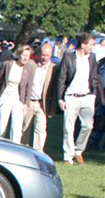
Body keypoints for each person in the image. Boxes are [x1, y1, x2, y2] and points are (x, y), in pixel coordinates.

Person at [56, 33, 103, 164]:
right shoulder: (69, 57)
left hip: (87, 96)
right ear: (83, 45)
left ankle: (78, 151)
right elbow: (62, 78)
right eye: (91, 44)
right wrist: (60, 99)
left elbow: (94, 76)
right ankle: (68, 156)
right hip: (71, 97)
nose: (93, 47)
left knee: (88, 126)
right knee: (68, 127)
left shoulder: (92, 57)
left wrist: (93, 94)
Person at [0, 46, 33, 143]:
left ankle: (15, 148)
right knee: (1, 126)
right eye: (24, 55)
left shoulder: (29, 68)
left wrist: (26, 103)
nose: (26, 58)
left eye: (28, 56)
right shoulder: (7, 64)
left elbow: (29, 86)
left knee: (17, 127)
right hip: (5, 96)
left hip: (19, 99)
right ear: (18, 55)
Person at [21, 42, 57, 152]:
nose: (44, 57)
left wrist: (52, 108)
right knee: (25, 127)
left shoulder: (54, 68)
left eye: (47, 55)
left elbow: (54, 91)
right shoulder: (31, 64)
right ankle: (23, 149)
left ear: (51, 54)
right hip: (29, 101)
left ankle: (38, 152)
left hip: (43, 103)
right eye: (42, 54)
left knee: (41, 129)